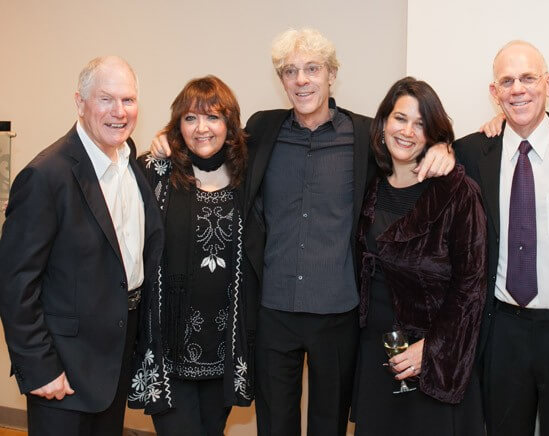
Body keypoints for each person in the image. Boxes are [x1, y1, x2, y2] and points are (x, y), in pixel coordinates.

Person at [150, 28, 455, 436]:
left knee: (328, 426)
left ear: (331, 74)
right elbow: (207, 141)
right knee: (275, 426)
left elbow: (411, 141)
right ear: (282, 81)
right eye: (290, 71)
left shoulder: (365, 136)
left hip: (337, 312)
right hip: (273, 310)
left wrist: (443, 146)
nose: (301, 80)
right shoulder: (263, 131)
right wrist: (165, 140)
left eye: (312, 69)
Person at [0, 56, 164, 435]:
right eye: (106, 99)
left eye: (128, 100)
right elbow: (15, 284)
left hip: (116, 356)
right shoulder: (46, 176)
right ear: (80, 102)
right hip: (64, 368)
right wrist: (40, 367)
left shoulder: (129, 160)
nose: (119, 112)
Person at [454, 40, 549, 435]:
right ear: (495, 93)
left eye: (528, 78)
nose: (517, 89)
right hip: (502, 330)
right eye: (507, 81)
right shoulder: (471, 152)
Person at [350, 77, 487, 436]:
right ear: (382, 124)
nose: (408, 131)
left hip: (433, 362)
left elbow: (470, 287)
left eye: (421, 124)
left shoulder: (456, 192)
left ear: (433, 135)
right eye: (400, 118)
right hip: (375, 356)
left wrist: (432, 348)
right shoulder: (367, 186)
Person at [126, 76, 253, 435]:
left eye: (213, 117)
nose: (202, 129)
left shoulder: (248, 174)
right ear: (177, 124)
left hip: (225, 347)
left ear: (229, 125)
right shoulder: (155, 170)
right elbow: (111, 209)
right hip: (168, 345)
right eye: (191, 118)